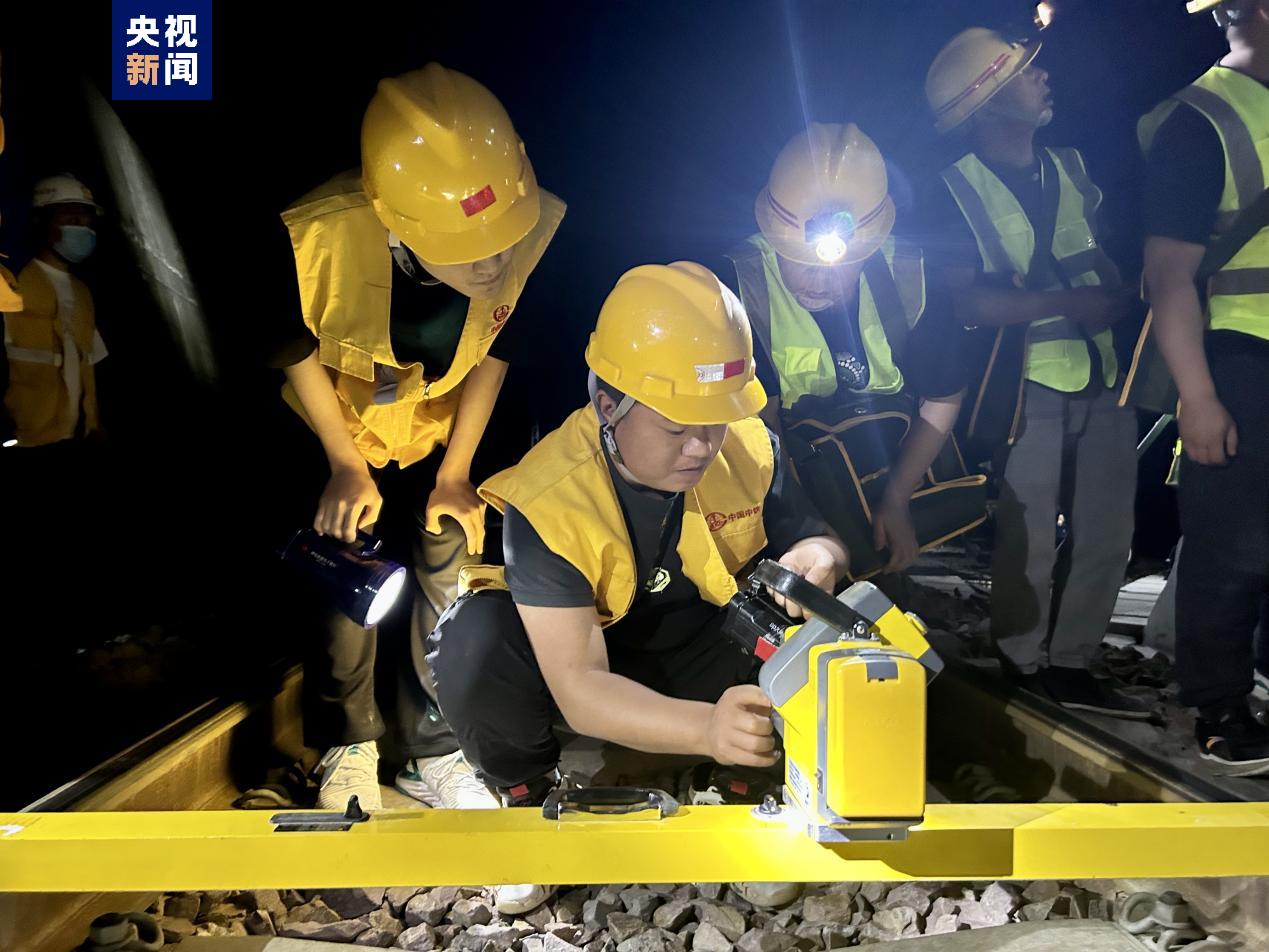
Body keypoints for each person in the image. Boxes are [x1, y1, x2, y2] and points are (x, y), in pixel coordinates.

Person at [270, 63, 565, 810]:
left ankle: (435, 746)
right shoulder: (315, 235)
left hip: (440, 429)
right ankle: (347, 743)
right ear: (397, 224)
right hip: (341, 428)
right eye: (470, 251)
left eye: (504, 240)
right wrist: (344, 465)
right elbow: (291, 349)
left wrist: (456, 474)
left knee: (452, 548)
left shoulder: (530, 229)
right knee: (347, 558)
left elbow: (499, 352)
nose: (495, 264)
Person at [922, 27, 1147, 717]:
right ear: (986, 101)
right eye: (1024, 73)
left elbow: (1100, 258)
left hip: (1103, 374)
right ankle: (1021, 663)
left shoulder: (1071, 167)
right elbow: (967, 303)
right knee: (1028, 542)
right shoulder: (953, 189)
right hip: (1023, 388)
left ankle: (1072, 663)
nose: (1043, 77)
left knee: (1108, 533)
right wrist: (1067, 304)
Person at [1140, 0, 1269, 773]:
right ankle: (1218, 707)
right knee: (1233, 543)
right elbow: (1167, 275)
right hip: (1239, 356)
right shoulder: (1198, 120)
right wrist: (1197, 394)